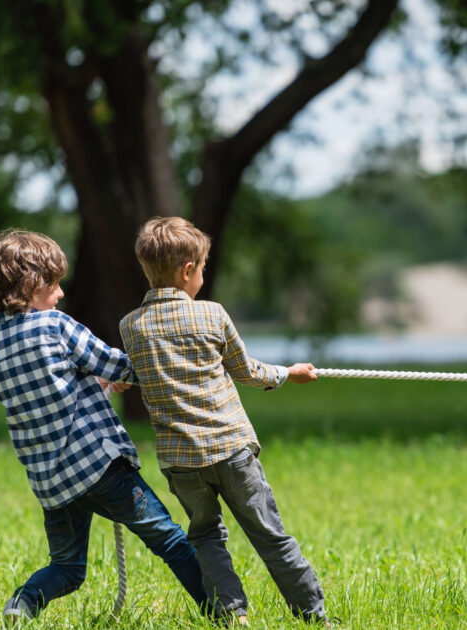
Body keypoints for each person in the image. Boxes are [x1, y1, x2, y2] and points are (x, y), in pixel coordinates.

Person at [0, 229, 208, 623]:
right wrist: (154, 365)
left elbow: (51, 394)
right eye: (53, 284)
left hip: (53, 483)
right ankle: (221, 612)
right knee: (169, 539)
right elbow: (116, 364)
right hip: (100, 469)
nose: (60, 293)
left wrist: (98, 382)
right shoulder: (54, 325)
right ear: (30, 285)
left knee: (67, 568)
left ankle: (23, 602)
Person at [119, 217, 326, 627]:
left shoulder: (130, 326)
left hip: (181, 463)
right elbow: (247, 370)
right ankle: (314, 615)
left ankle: (233, 616)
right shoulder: (212, 315)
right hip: (231, 451)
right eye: (203, 267)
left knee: (206, 537)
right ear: (187, 271)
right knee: (270, 536)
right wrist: (289, 373)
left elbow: (142, 370)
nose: (203, 274)